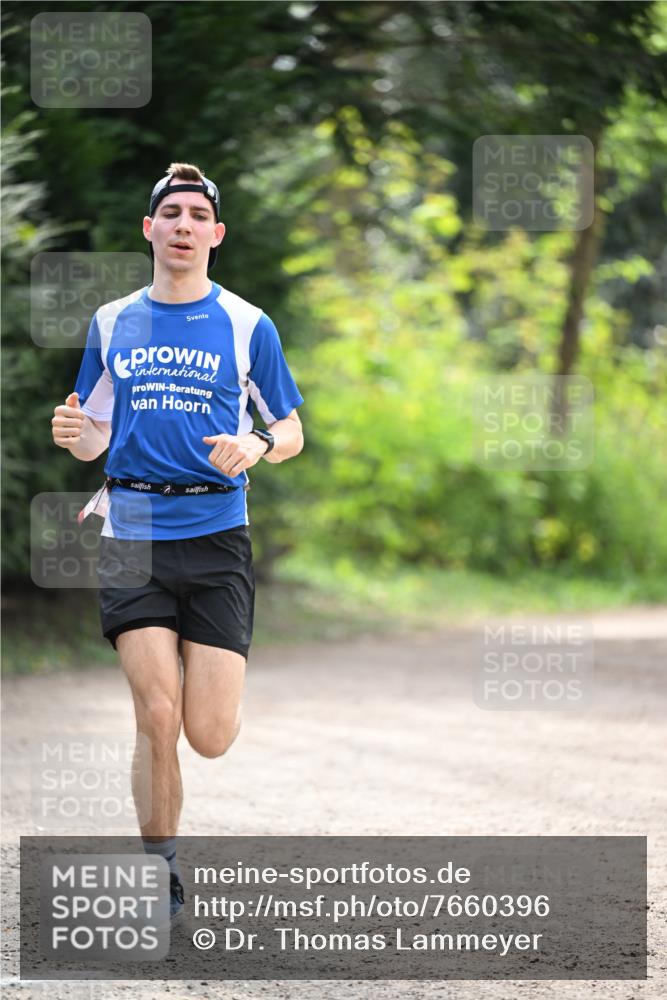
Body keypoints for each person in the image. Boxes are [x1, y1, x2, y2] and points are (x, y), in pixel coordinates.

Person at [50, 162, 305, 917]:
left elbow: (290, 427)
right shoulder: (111, 321)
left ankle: (182, 763)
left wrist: (257, 445)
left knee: (210, 734)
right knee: (157, 715)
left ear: (216, 234)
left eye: (198, 215)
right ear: (149, 229)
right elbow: (92, 433)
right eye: (173, 214)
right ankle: (158, 866)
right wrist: (73, 435)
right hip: (132, 532)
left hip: (218, 536)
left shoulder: (246, 324)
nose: (185, 225)